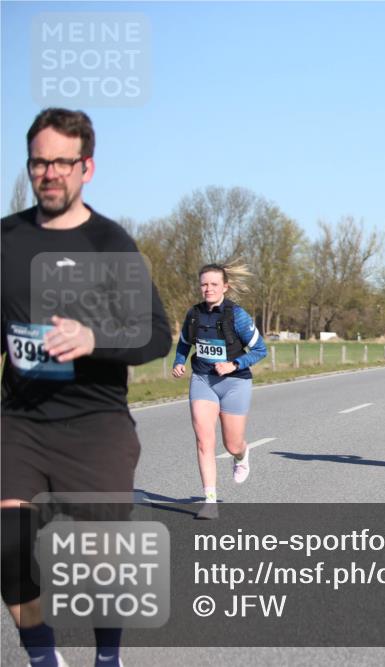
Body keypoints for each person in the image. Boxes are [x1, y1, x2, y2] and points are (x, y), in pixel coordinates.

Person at [2, 108, 172, 667]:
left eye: (61, 162)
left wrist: (92, 338)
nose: (48, 173)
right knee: (8, 541)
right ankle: (43, 656)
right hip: (21, 418)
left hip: (96, 422)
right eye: (38, 162)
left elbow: (155, 335)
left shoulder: (109, 242)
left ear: (87, 167)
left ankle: (107, 657)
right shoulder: (8, 240)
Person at [172, 262, 267, 519]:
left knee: (232, 443)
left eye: (214, 284)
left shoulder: (237, 316)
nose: (208, 289)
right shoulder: (193, 315)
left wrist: (234, 363)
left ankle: (241, 455)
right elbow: (183, 344)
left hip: (235, 382)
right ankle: (210, 500)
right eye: (204, 284)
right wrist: (179, 362)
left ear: (225, 286)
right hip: (203, 380)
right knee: (204, 441)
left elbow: (261, 350)